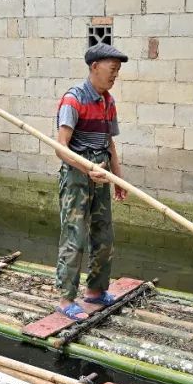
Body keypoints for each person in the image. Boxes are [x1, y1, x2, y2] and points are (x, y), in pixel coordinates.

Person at [53, 42, 129, 320]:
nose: (114, 75)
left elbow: (109, 144)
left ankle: (96, 291)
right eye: (112, 69)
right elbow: (61, 147)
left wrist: (118, 179)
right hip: (77, 175)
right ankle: (65, 299)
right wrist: (87, 170)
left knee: (104, 235)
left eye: (118, 71)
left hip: (102, 174)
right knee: (74, 235)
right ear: (94, 67)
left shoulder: (108, 102)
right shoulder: (73, 100)